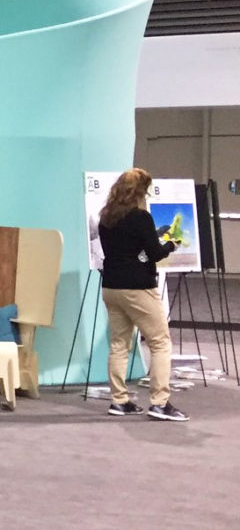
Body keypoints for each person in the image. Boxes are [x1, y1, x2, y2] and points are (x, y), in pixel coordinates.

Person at [98, 167, 186, 421]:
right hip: (137, 288)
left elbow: (122, 250)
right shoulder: (141, 218)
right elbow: (155, 253)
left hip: (111, 287)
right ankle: (160, 402)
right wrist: (171, 245)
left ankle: (119, 400)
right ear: (139, 192)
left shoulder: (106, 217)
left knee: (119, 344)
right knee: (160, 342)